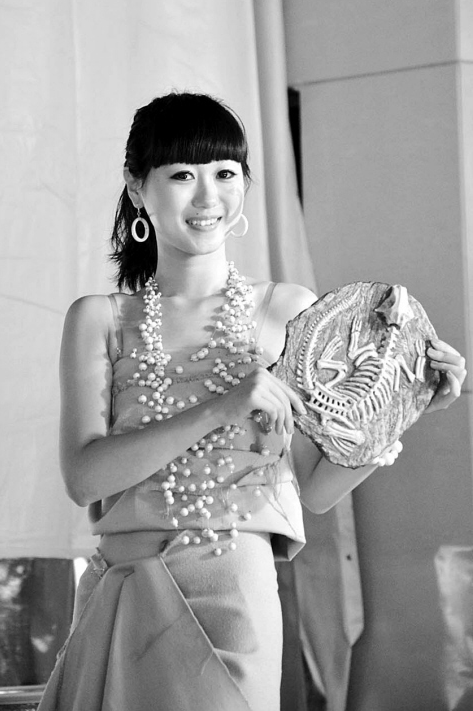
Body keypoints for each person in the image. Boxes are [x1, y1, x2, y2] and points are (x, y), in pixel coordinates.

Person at [38, 92, 466, 711]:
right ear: (136, 187)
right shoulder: (98, 319)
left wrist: (399, 410)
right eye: (182, 175)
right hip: (122, 595)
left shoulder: (289, 310)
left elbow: (314, 489)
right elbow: (84, 478)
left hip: (235, 595)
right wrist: (220, 407)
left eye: (225, 174)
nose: (207, 197)